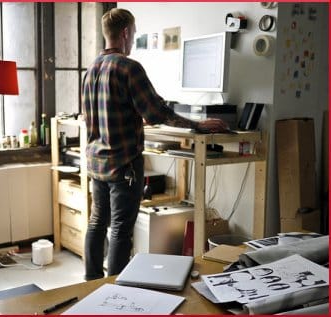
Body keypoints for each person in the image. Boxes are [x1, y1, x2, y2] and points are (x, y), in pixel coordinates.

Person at [81, 8, 230, 281]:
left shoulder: (91, 69)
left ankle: (92, 282)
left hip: (97, 163)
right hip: (123, 165)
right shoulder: (129, 68)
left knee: (97, 223)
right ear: (125, 33)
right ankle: (114, 290)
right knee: (120, 230)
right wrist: (197, 125)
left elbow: (103, 113)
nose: (133, 39)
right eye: (134, 33)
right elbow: (157, 112)